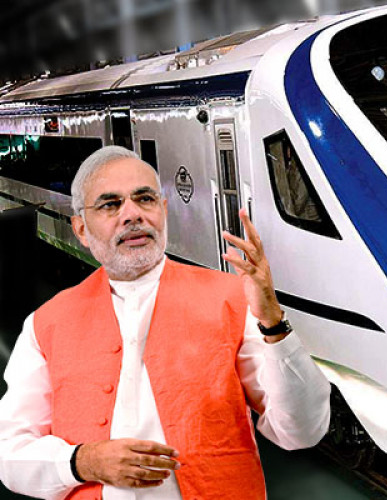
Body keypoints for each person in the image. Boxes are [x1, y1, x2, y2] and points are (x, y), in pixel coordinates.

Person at [0, 146, 331, 499]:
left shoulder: (232, 299)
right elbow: (9, 453)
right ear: (81, 229)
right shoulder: (47, 324)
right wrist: (83, 462)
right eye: (110, 204)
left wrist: (273, 322)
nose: (132, 215)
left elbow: (302, 432)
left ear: (163, 210)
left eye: (145, 199)